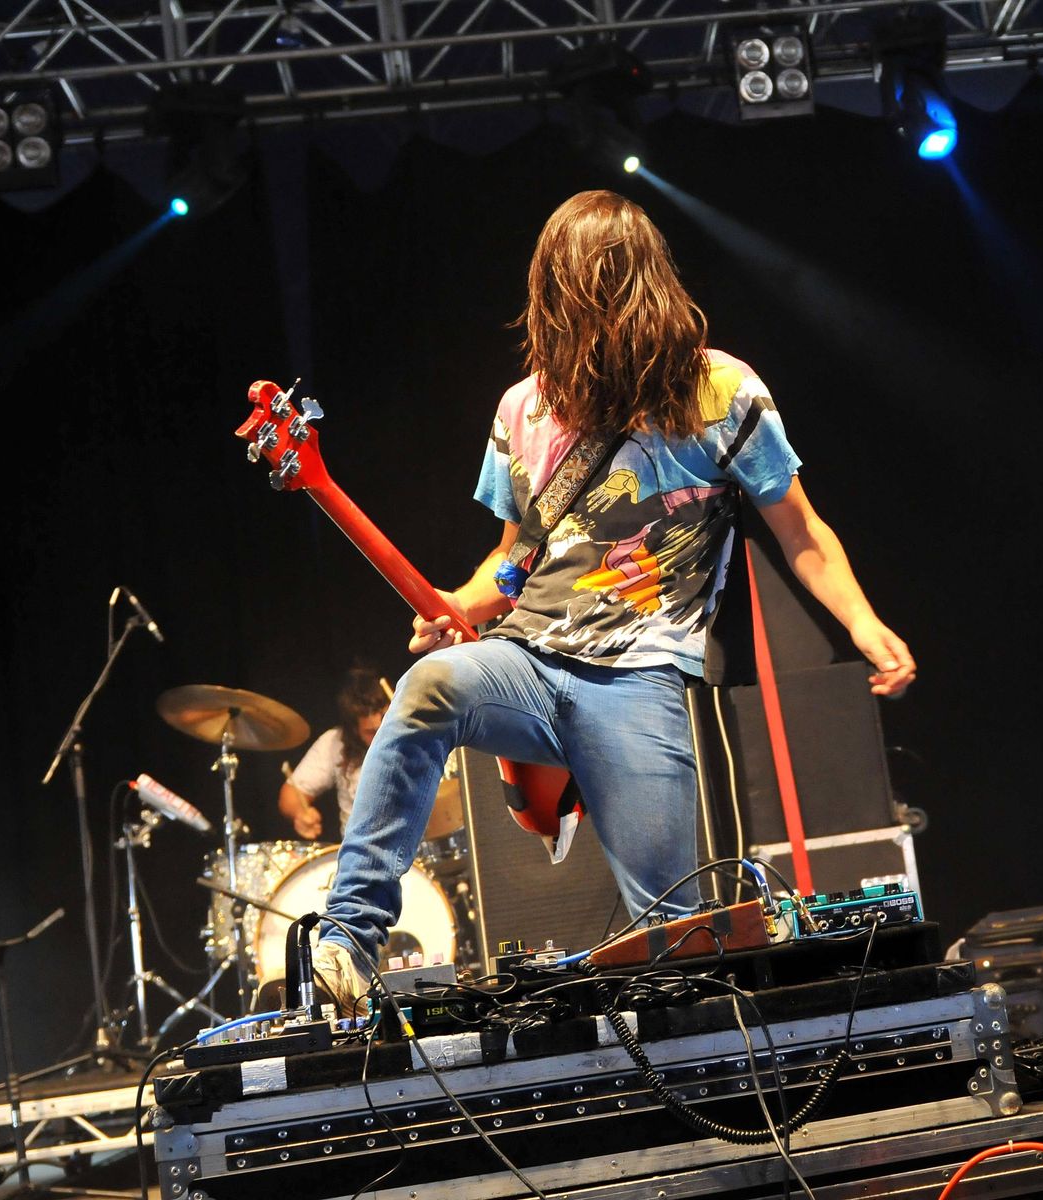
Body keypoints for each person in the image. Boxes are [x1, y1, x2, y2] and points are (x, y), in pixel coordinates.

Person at [311, 190, 915, 1012]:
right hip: (528, 659)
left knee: (673, 938)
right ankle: (348, 940)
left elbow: (800, 531)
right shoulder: (522, 407)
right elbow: (514, 560)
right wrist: (457, 603)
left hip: (638, 679)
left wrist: (863, 622)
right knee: (429, 687)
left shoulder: (721, 391)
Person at [278, 668, 390, 841]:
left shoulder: (419, 733)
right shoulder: (335, 742)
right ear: (354, 729)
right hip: (361, 851)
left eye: (387, 725)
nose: (381, 735)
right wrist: (301, 814)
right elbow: (291, 794)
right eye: (371, 732)